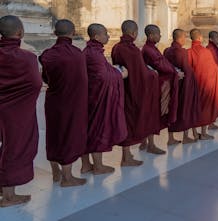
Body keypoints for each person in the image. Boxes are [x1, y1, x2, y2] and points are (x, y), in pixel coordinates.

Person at [39, 19, 88, 187]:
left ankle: (55, 172)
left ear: (55, 33)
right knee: (69, 135)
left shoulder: (46, 55)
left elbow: (45, 78)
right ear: (73, 33)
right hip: (73, 102)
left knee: (54, 134)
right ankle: (67, 177)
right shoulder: (78, 54)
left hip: (53, 100)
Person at [0, 16, 42, 207]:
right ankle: (8, 196)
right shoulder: (27, 58)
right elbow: (36, 84)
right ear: (20, 33)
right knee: (15, 147)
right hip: (16, 112)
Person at [111, 20, 163, 166]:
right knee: (133, 120)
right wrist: (154, 74)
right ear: (133, 33)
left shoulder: (116, 47)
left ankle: (130, 153)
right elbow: (141, 73)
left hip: (124, 89)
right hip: (136, 91)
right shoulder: (131, 50)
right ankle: (126, 157)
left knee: (126, 120)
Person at [81, 23, 128, 176]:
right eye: (105, 33)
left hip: (91, 95)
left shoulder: (92, 51)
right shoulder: (93, 54)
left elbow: (103, 70)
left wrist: (113, 70)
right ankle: (98, 166)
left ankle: (86, 165)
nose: (108, 36)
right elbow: (103, 77)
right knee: (97, 129)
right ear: (96, 37)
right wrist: (121, 75)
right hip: (97, 97)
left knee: (89, 129)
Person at [142, 25, 184, 145]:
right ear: (151, 35)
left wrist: (174, 72)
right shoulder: (148, 50)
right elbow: (160, 65)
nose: (160, 36)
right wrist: (176, 73)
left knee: (153, 113)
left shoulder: (153, 48)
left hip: (157, 84)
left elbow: (163, 63)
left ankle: (145, 142)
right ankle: (150, 144)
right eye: (158, 33)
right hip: (153, 87)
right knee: (153, 113)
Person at [164, 29, 200, 143]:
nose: (185, 39)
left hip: (172, 84)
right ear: (180, 38)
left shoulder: (167, 51)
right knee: (185, 109)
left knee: (172, 109)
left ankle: (170, 138)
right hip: (184, 85)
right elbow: (187, 70)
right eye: (185, 37)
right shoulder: (182, 52)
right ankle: (185, 137)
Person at [188, 29, 218, 139]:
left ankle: (194, 133)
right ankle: (203, 133)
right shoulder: (206, 51)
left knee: (193, 108)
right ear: (200, 38)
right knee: (205, 108)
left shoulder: (188, 52)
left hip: (194, 85)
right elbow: (214, 69)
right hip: (206, 85)